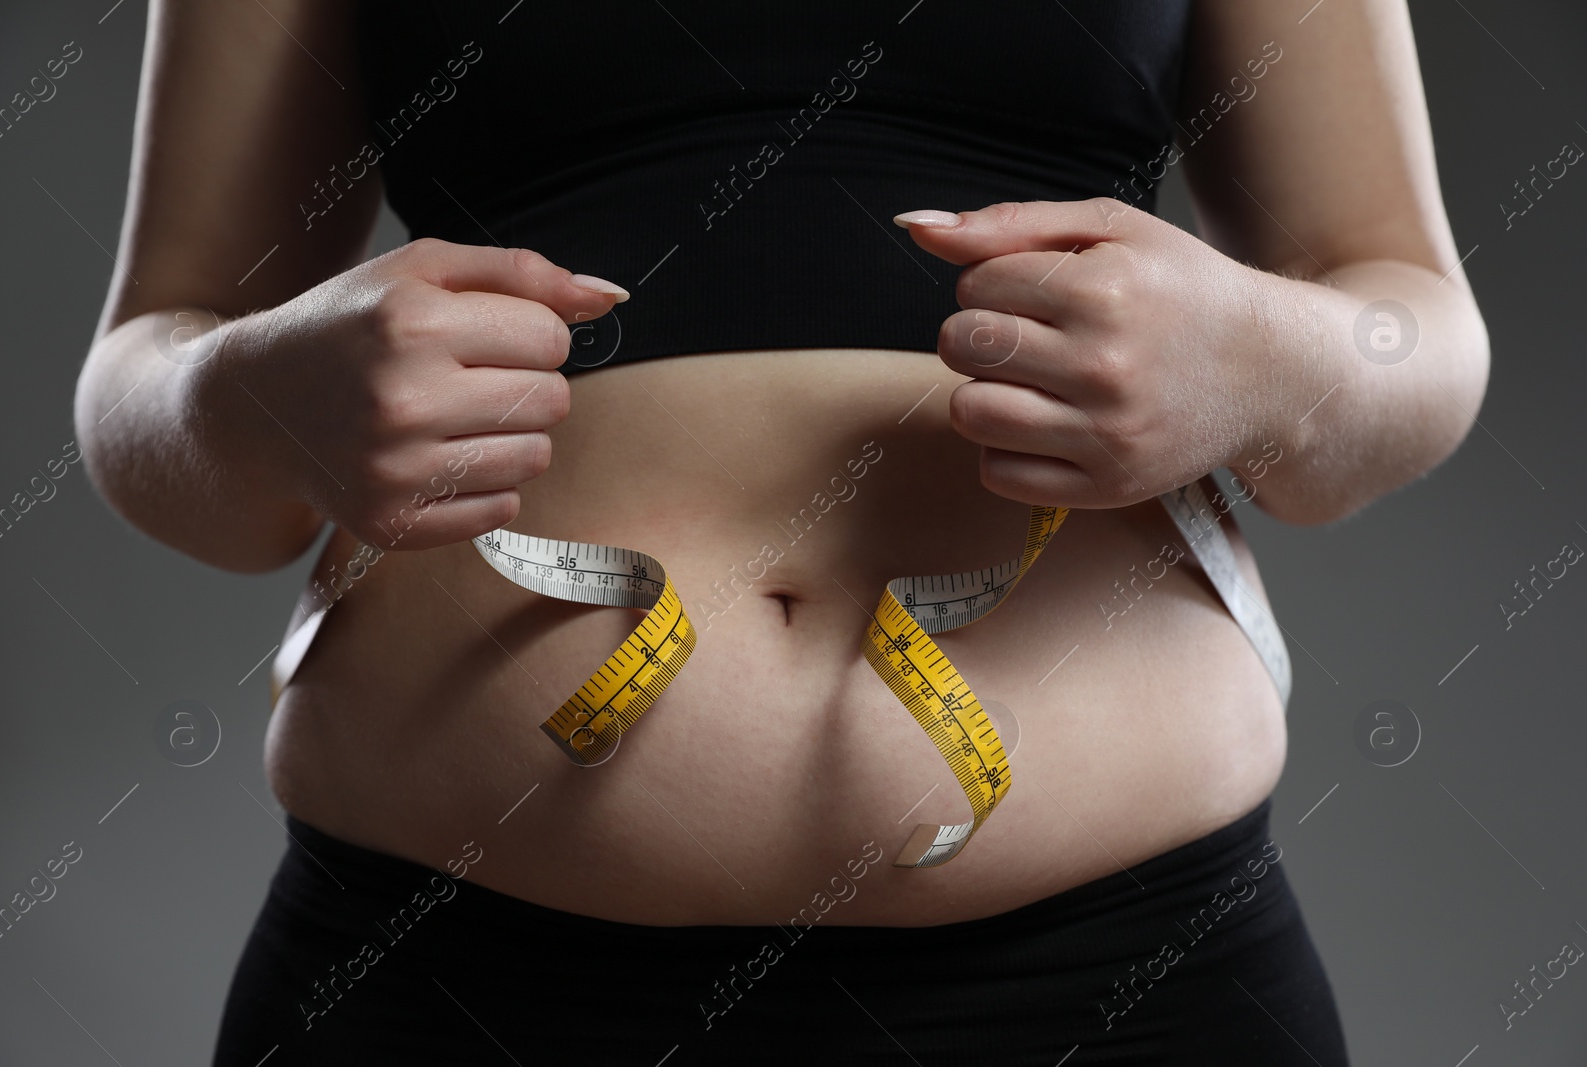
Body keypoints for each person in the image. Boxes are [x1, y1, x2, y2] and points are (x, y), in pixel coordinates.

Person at [73, 0, 1486, 1063]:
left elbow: (1413, 321)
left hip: (1123, 975)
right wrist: (247, 391)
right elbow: (146, 370)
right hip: (446, 973)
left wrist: (1270, 356)